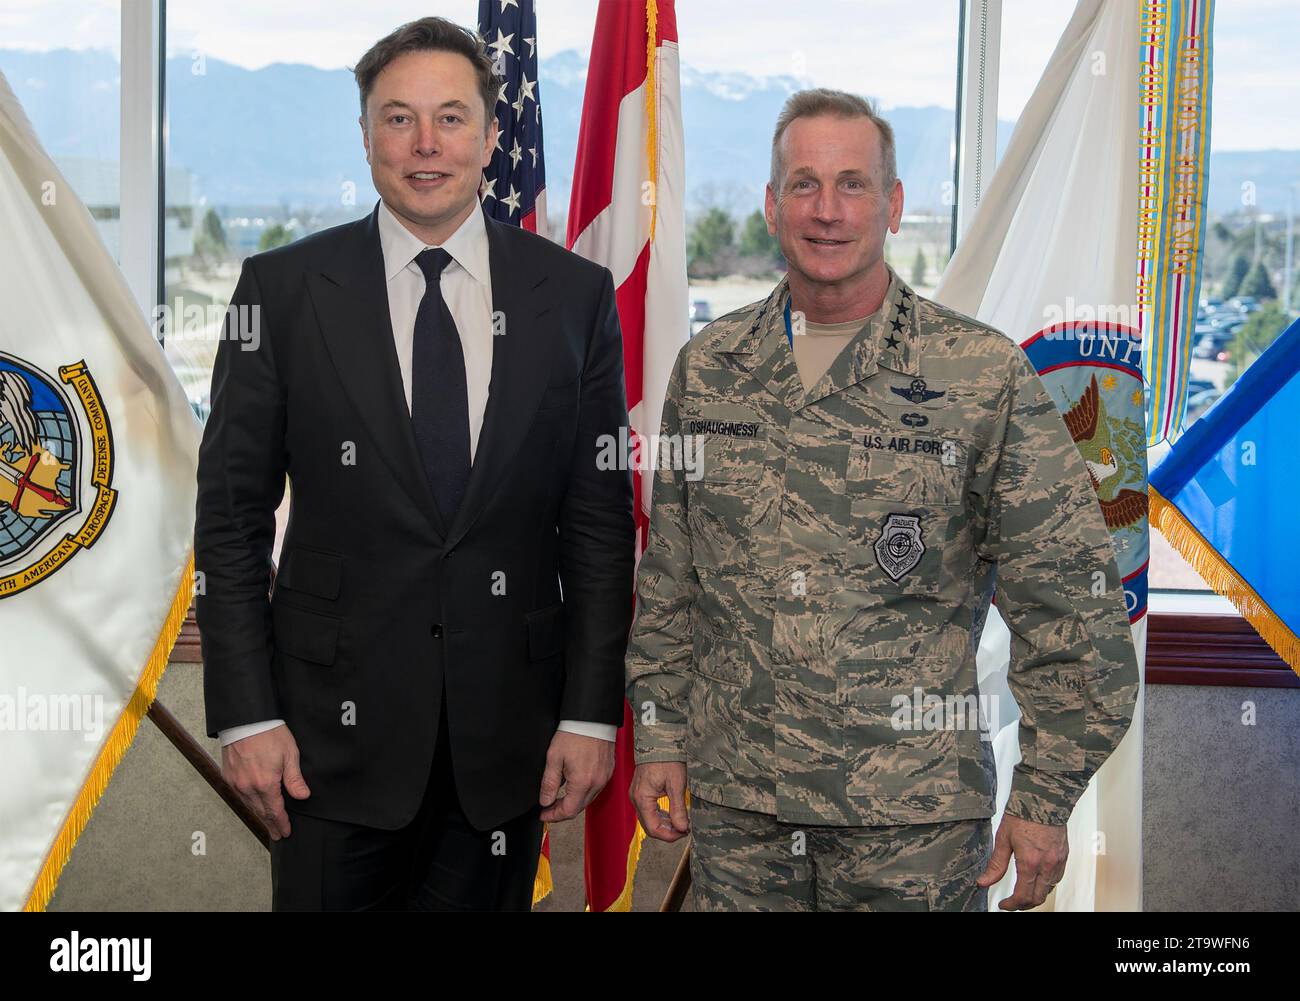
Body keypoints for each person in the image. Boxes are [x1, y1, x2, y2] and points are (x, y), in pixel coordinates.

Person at [625, 88, 1140, 912]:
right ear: (770, 204)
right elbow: (671, 581)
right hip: (740, 814)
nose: (827, 211)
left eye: (854, 184)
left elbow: (1072, 597)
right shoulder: (711, 368)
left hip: (913, 828)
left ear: (894, 205)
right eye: (803, 184)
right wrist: (658, 730)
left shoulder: (980, 376)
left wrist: (1044, 798)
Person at [195, 16, 634, 911]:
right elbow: (230, 518)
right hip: (321, 753)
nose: (425, 145)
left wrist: (590, 714)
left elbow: (595, 524)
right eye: (398, 119)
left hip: (507, 752)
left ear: (490, 134)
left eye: (450, 118)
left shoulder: (574, 298)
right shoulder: (281, 292)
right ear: (364, 135)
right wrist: (247, 712)